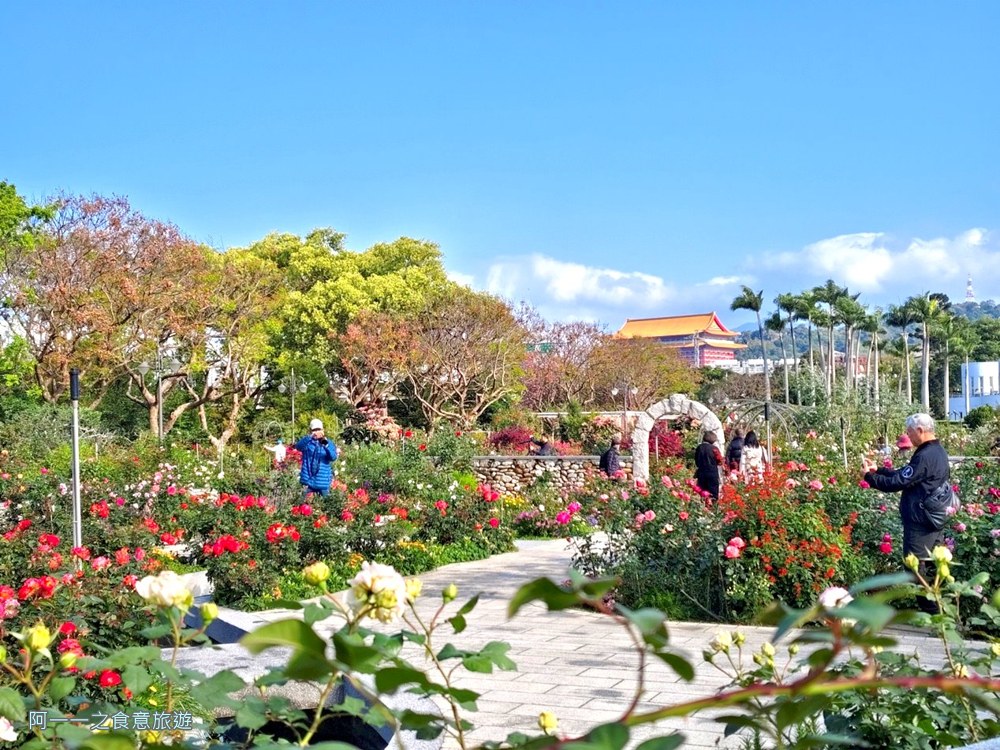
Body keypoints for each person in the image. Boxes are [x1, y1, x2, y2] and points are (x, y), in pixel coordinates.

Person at [862, 413, 950, 614]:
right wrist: (880, 471)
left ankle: (935, 614)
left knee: (915, 571)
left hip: (921, 523)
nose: (908, 437)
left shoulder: (925, 455)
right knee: (932, 569)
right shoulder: (936, 451)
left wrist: (869, 477)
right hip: (932, 520)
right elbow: (906, 475)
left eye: (909, 432)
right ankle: (941, 611)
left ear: (920, 430)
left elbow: (897, 483)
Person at [295, 418, 338, 497]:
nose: (316, 432)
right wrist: (310, 437)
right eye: (314, 430)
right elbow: (298, 447)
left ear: (322, 430)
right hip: (308, 480)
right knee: (301, 503)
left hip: (322, 480)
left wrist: (325, 444)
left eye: (318, 429)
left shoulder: (328, 442)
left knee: (327, 504)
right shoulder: (308, 443)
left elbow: (333, 457)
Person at [694, 431, 724, 499]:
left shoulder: (699, 447)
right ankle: (713, 506)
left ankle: (702, 506)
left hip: (702, 472)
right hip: (712, 472)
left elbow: (696, 460)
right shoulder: (714, 448)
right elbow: (719, 460)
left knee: (702, 491)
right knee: (713, 493)